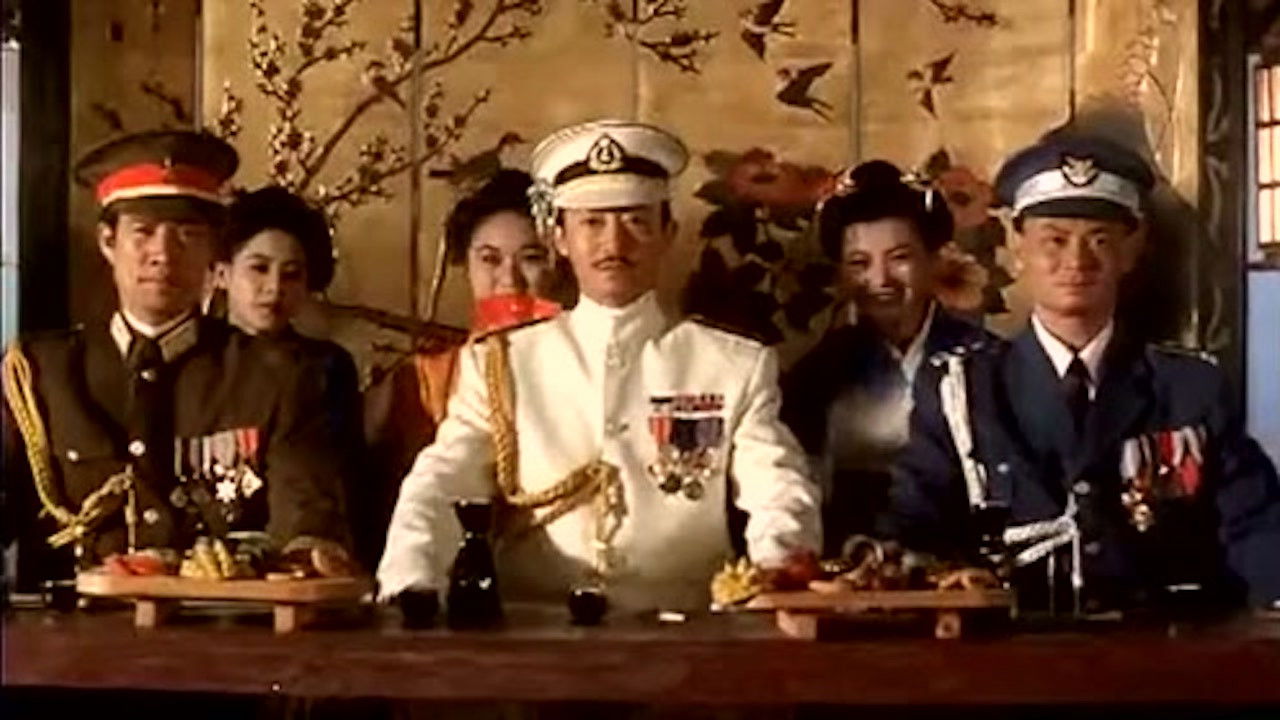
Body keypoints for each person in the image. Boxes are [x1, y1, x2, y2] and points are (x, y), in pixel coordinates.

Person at [377, 119, 821, 611]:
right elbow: (442, 481)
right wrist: (412, 579)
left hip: (684, 629)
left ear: (667, 233)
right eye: (592, 223)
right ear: (559, 238)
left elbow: (778, 489)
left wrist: (779, 573)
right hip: (533, 628)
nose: (614, 244)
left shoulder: (732, 365)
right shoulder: (502, 364)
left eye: (635, 221)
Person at [888, 132, 1280, 613]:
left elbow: (1256, 529)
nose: (1077, 261)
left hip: (1162, 642)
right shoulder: (963, 389)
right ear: (1017, 247)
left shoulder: (1189, 388)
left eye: (1099, 240)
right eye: (1054, 240)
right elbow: (915, 523)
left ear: (1131, 250)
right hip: (1010, 644)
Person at [1, 130, 352, 591]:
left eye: (188, 235)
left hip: (219, 621)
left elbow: (304, 511)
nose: (163, 255)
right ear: (107, 241)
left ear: (213, 252)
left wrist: (306, 553)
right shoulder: (42, 374)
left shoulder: (277, 374)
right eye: (143, 233)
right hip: (70, 623)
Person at [781, 160, 990, 556]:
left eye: (899, 258)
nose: (880, 280)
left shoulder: (988, 361)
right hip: (851, 563)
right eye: (859, 264)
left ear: (935, 259)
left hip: (967, 563)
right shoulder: (816, 375)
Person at [361, 169, 563, 569]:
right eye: (489, 259)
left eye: (531, 258)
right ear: (465, 265)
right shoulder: (422, 380)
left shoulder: (578, 367)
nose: (509, 279)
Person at [215, 185, 365, 563]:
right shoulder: (193, 360)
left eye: (292, 275)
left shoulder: (325, 368)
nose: (274, 288)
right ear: (222, 273)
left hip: (294, 555)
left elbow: (321, 479)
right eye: (259, 268)